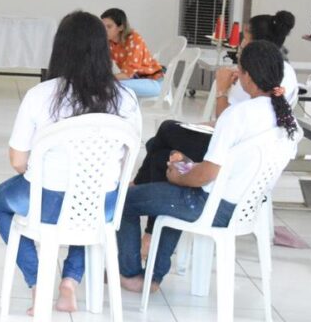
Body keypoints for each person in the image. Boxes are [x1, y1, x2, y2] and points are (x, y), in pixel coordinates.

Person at [118, 40, 301, 294]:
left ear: (247, 76)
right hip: (242, 206)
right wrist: (184, 165)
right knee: (166, 168)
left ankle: (130, 275)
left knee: (124, 200)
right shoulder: (286, 119)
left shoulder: (238, 115)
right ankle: (153, 277)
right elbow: (230, 168)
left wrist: (178, 176)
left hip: (209, 205)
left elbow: (204, 177)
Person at [0, 11, 141, 315]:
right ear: (103, 49)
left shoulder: (40, 95)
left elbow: (17, 160)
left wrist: (39, 173)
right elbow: (128, 161)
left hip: (47, 199)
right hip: (103, 204)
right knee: (88, 205)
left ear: (60, 48)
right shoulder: (126, 98)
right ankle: (69, 283)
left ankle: (37, 283)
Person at [133, 11, 299, 254]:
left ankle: (139, 190)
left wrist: (221, 90)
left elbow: (225, 124)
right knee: (161, 156)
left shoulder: (249, 98)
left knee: (166, 134)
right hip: (243, 174)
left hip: (223, 175)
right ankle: (151, 242)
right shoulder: (282, 87)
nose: (240, 42)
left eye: (244, 38)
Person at [100, 8, 164, 98]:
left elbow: (127, 74)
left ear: (121, 27)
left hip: (155, 82)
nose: (104, 30)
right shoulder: (110, 42)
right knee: (107, 85)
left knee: (112, 86)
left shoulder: (134, 39)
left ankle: (114, 111)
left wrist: (102, 79)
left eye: (109, 26)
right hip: (137, 80)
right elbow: (101, 64)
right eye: (102, 26)